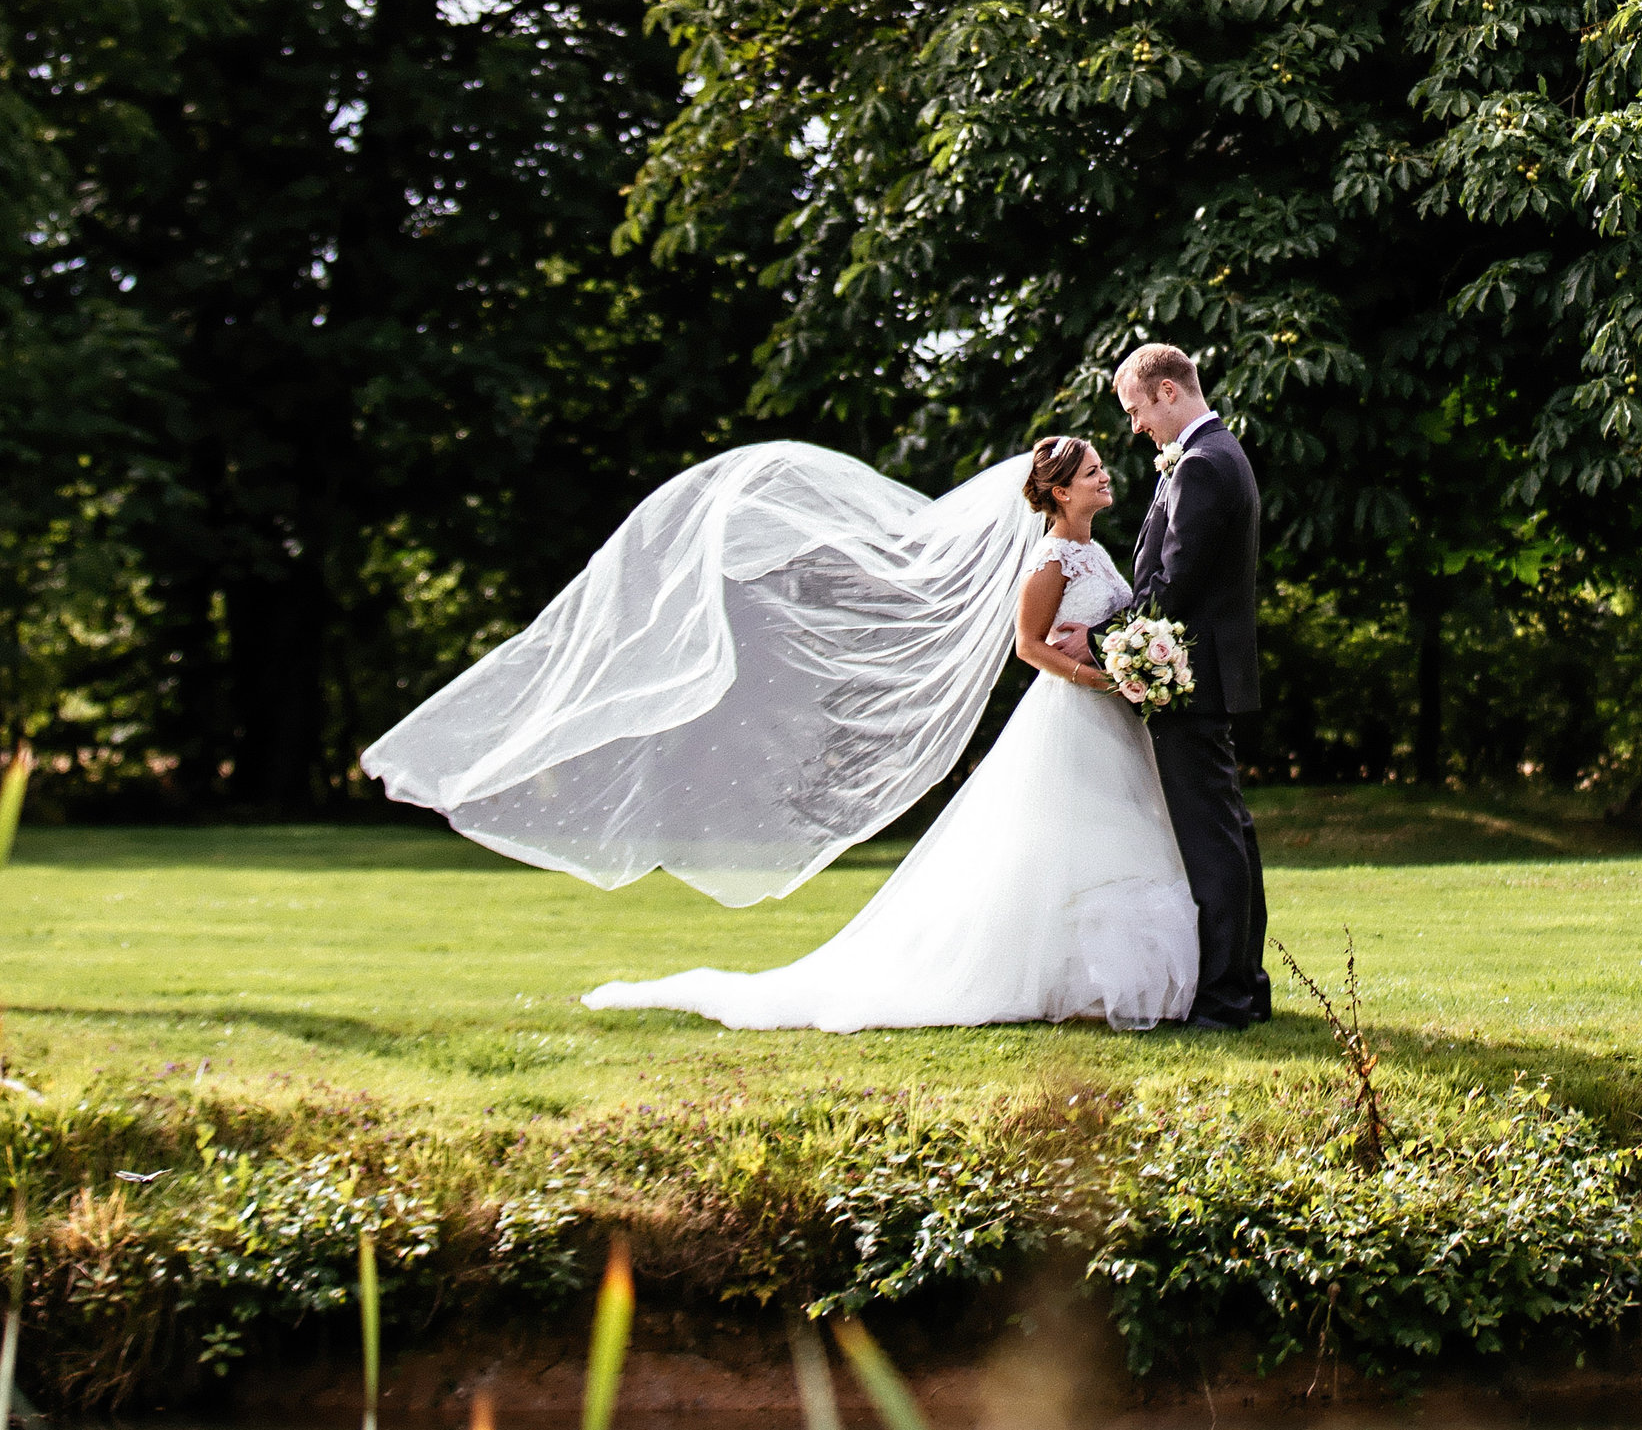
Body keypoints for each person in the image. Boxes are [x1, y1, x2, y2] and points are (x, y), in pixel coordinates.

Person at [362, 432, 1201, 1033]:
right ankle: (1073, 984)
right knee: (1074, 843)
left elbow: (1085, 631)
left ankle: (1101, 984)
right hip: (1073, 717)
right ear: (1058, 491)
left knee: (1114, 840)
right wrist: (1106, 676)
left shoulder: (1094, 553)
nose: (1106, 476)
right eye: (1092, 471)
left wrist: (1123, 662)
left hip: (1106, 719)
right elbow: (1027, 647)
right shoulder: (1050, 561)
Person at [1115, 341, 1272, 1030]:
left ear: (1168, 393)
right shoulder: (1216, 455)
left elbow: (1175, 583)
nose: (1136, 427)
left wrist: (1113, 644)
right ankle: (1247, 986)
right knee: (1231, 831)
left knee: (1213, 840)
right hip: (1205, 676)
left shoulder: (1204, 464)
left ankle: (1225, 1000)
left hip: (1191, 679)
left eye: (1137, 409)